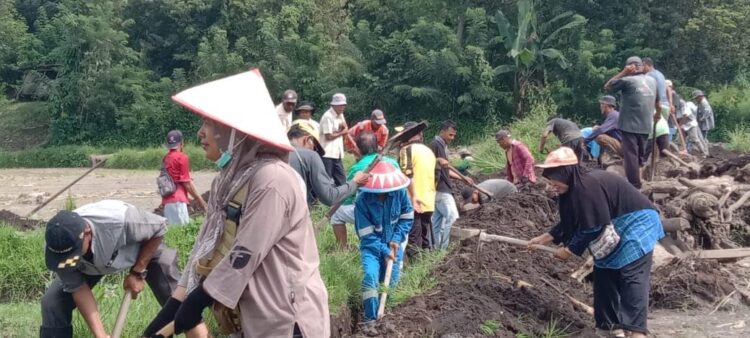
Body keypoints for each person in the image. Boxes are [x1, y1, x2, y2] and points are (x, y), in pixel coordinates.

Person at [143, 70, 329, 337]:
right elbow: (204, 251)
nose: (200, 133)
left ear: (236, 132)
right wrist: (168, 313)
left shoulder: (272, 180)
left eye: (208, 124)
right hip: (250, 318)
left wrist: (196, 303)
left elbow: (244, 253)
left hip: (285, 319)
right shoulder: (225, 183)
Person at [529, 147, 664, 338]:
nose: (552, 184)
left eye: (554, 179)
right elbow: (574, 220)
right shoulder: (574, 188)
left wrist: (569, 250)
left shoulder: (587, 185)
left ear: (565, 173)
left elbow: (592, 226)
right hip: (614, 224)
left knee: (631, 275)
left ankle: (636, 331)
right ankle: (608, 327)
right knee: (604, 271)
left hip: (637, 222)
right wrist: (544, 238)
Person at [41, 201, 180, 338]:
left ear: (87, 232)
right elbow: (78, 289)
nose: (69, 257)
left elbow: (159, 227)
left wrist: (137, 272)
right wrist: (100, 335)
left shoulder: (120, 220)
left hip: (141, 249)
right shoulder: (58, 249)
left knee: (177, 301)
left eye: (74, 252)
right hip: (92, 264)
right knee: (53, 302)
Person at [354, 161, 413, 336]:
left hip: (394, 248)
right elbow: (367, 236)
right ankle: (370, 320)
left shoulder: (400, 194)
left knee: (390, 284)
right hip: (372, 248)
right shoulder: (362, 201)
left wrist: (396, 239)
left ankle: (388, 318)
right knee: (371, 277)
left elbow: (407, 217)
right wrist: (385, 250)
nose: (384, 194)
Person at [330, 131, 399, 248]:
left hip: (370, 212)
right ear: (377, 146)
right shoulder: (393, 163)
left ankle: (342, 248)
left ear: (358, 149)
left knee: (336, 213)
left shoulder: (358, 167)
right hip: (394, 209)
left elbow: (348, 194)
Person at [605, 56, 659, 189]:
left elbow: (607, 86)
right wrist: (658, 114)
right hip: (646, 125)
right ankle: (638, 179)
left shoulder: (627, 80)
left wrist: (623, 72)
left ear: (630, 67)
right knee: (639, 157)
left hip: (629, 125)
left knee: (631, 157)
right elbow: (658, 102)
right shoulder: (653, 81)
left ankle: (634, 185)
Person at [287, 122, 369, 206]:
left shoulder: (274, 152)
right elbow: (329, 197)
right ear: (307, 140)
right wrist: (355, 182)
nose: (314, 151)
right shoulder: (310, 155)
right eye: (314, 148)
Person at [429, 121, 471, 250]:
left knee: (437, 221)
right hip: (441, 187)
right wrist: (462, 178)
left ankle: (436, 249)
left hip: (437, 188)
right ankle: (446, 249)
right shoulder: (436, 145)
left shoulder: (441, 146)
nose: (452, 138)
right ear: (442, 131)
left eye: (454, 136)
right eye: (450, 135)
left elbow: (446, 168)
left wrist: (462, 179)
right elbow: (440, 168)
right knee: (453, 217)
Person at [398, 121, 437, 256]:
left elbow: (407, 175)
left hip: (412, 199)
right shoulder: (428, 151)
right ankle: (425, 263)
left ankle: (414, 266)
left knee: (413, 237)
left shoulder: (406, 151)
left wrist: (411, 196)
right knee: (424, 235)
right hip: (428, 200)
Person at [162, 129, 207, 225]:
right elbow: (187, 183)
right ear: (182, 143)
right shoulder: (182, 157)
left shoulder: (166, 158)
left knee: (173, 234)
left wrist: (188, 199)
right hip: (178, 202)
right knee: (182, 232)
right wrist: (201, 202)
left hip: (167, 202)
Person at [319, 93, 350, 186]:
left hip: (337, 153)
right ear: (334, 105)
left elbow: (345, 127)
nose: (342, 107)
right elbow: (328, 136)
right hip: (327, 153)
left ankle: (340, 198)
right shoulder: (327, 116)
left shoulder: (340, 114)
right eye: (340, 105)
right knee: (326, 179)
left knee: (341, 180)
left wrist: (343, 131)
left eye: (343, 105)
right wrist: (342, 133)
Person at [585, 95, 622, 164]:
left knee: (600, 137)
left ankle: (613, 157)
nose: (600, 107)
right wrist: (598, 128)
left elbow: (601, 130)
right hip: (621, 143)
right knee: (598, 133)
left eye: (601, 104)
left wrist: (585, 141)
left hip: (622, 145)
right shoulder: (614, 115)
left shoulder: (613, 115)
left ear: (605, 105)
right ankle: (600, 160)